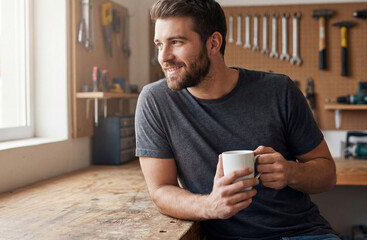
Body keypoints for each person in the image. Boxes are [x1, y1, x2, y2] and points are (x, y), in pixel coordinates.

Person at [135, 0, 338, 239]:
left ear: (213, 43)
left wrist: (291, 172)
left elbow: (327, 174)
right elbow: (161, 190)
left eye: (176, 42)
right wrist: (210, 205)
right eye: (159, 44)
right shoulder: (155, 101)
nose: (164, 57)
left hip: (299, 233)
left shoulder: (279, 90)